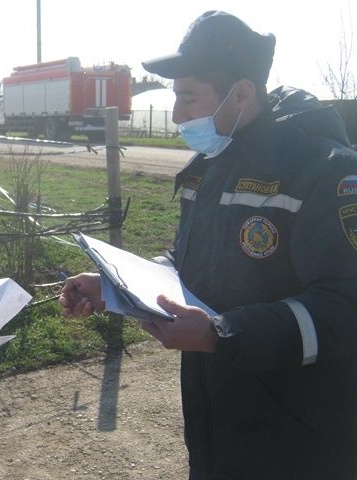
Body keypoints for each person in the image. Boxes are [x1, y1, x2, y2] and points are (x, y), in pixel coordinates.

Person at [60, 11, 357, 480]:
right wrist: (114, 288)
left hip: (300, 434)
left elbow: (345, 306)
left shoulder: (326, 172)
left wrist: (221, 333)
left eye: (188, 98)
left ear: (241, 94)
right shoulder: (211, 163)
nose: (177, 115)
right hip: (217, 417)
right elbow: (189, 262)